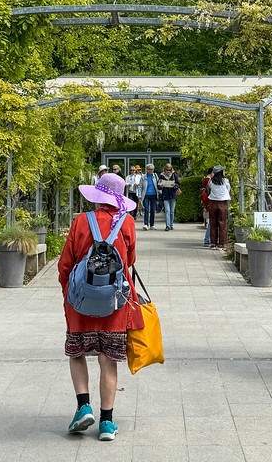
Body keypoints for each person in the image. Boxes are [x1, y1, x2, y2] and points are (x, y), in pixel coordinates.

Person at [58, 173, 143, 442]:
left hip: (80, 303)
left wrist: (68, 296)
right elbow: (129, 261)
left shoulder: (81, 221)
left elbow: (65, 265)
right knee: (108, 360)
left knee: (77, 353)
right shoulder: (127, 222)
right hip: (115, 303)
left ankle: (83, 406)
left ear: (96, 197)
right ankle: (106, 423)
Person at [205, 166, 232, 249]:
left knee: (213, 223)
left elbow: (208, 190)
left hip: (213, 203)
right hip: (223, 203)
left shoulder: (211, 182)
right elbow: (228, 189)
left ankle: (213, 242)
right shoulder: (225, 181)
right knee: (222, 223)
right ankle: (222, 243)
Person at [158, 163, 181, 231]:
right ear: (165, 169)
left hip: (173, 195)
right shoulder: (161, 176)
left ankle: (171, 224)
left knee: (172, 211)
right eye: (167, 170)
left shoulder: (174, 175)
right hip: (165, 195)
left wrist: (175, 185)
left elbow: (178, 184)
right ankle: (167, 225)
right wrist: (161, 186)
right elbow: (158, 185)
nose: (168, 171)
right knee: (167, 211)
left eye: (169, 170)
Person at [140, 163, 161, 231]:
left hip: (154, 195)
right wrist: (139, 196)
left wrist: (159, 191)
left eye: (152, 169)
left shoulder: (155, 176)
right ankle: (146, 224)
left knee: (153, 210)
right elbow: (140, 186)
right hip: (146, 195)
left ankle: (152, 224)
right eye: (150, 169)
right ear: (147, 170)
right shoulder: (143, 177)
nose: (151, 171)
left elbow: (158, 184)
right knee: (146, 210)